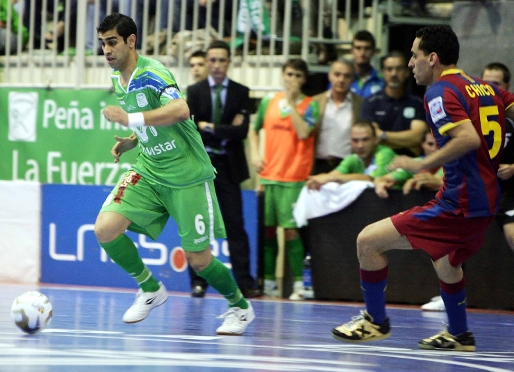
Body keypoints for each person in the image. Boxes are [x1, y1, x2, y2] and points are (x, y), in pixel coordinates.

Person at [330, 25, 514, 351]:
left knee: (367, 242)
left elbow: (467, 139)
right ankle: (458, 334)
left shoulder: (439, 92)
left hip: (459, 203)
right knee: (446, 261)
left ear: (432, 58)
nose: (411, 63)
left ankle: (375, 322)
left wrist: (420, 163)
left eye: (415, 56)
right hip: (486, 201)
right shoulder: (485, 87)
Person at [94, 12, 255, 335]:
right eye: (102, 44)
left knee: (198, 259)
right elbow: (152, 121)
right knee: (105, 228)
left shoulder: (153, 73)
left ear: (131, 41)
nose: (107, 50)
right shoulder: (117, 78)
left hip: (186, 176)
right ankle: (150, 288)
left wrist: (131, 120)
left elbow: (181, 110)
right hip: (150, 170)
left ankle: (239, 306)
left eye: (112, 42)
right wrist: (133, 140)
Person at [421, 61, 514, 312]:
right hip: (481, 187)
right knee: (452, 246)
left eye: (496, 83)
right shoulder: (468, 112)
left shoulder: (504, 116)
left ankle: (456, 324)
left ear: (505, 86)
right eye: (487, 82)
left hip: (506, 191)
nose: (489, 87)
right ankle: (449, 302)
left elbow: (465, 142)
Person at [186, 40, 261, 299]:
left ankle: (245, 282)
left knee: (235, 225)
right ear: (207, 62)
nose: (217, 65)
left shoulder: (241, 92)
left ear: (229, 62)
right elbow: (189, 128)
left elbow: (241, 132)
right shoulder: (194, 91)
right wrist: (220, 129)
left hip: (228, 166)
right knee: (198, 225)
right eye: (213, 60)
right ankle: (198, 281)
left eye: (222, 60)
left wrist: (210, 127)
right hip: (201, 166)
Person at [248, 58, 319, 300]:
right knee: (267, 232)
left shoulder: (310, 106)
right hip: (269, 177)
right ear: (283, 75)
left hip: (294, 178)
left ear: (304, 79)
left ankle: (299, 284)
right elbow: (253, 129)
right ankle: (269, 283)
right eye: (289, 74)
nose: (293, 80)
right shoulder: (268, 101)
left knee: (290, 232)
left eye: (298, 76)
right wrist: (255, 154)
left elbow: (303, 132)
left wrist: (291, 103)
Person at [360, 51, 427, 157]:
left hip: (410, 162)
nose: (394, 73)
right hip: (379, 162)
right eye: (389, 69)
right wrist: (407, 141)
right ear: (382, 72)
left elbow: (417, 137)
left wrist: (383, 136)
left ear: (407, 72)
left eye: (399, 69)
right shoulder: (371, 102)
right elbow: (372, 137)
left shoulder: (417, 102)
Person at [306, 121, 396, 190]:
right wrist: (318, 181)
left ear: (376, 140)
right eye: (355, 140)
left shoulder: (385, 154)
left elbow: (372, 180)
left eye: (365, 140)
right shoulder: (353, 158)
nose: (360, 145)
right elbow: (334, 174)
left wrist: (331, 178)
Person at [311, 59, 363, 175]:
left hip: (347, 166)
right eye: (337, 74)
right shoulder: (315, 102)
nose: (341, 80)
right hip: (318, 164)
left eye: (346, 76)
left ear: (353, 79)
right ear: (329, 76)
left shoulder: (360, 104)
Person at [374, 130, 442, 199]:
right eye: (430, 144)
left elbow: (437, 181)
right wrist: (380, 183)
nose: (434, 149)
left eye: (439, 144)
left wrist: (414, 180)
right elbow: (383, 179)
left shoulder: (451, 163)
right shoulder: (414, 163)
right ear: (422, 144)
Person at [349, 30, 384, 98]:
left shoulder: (382, 80)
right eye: (358, 48)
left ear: (373, 51)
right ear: (352, 50)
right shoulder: (343, 78)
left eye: (367, 48)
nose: (362, 53)